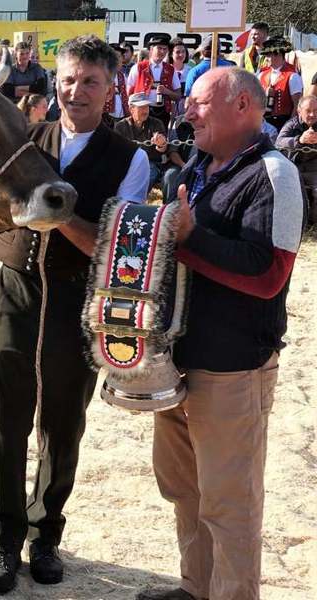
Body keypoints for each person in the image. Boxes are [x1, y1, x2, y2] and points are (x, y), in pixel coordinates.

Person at [0, 34, 150, 595]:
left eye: (91, 82)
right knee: (5, 415)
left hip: (81, 300)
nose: (77, 90)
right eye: (71, 79)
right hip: (17, 288)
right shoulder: (25, 138)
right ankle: (3, 538)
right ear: (57, 81)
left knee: (63, 421)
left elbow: (116, 243)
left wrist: (56, 220)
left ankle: (45, 533)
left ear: (110, 88)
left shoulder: (132, 156)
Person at [135, 67, 305, 600]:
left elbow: (267, 273)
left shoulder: (275, 174)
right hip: (179, 361)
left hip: (233, 368)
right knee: (186, 491)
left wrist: (189, 238)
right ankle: (195, 588)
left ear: (243, 107)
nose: (188, 110)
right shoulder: (201, 168)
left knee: (230, 504)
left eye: (201, 102)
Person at [275, 95, 317, 223]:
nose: (312, 114)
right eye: (308, 111)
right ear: (299, 111)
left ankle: (313, 223)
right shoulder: (292, 125)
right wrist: (299, 140)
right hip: (295, 169)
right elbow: (279, 141)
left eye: (316, 111)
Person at [114, 92, 169, 188]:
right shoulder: (121, 126)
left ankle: (135, 201)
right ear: (131, 109)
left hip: (151, 163)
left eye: (147, 107)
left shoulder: (156, 123)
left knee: (146, 175)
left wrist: (161, 143)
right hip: (128, 163)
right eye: (141, 107)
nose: (145, 111)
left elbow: (163, 150)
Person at [127, 34, 181, 126]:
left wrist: (167, 91)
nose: (162, 51)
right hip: (141, 111)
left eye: (165, 49)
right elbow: (129, 92)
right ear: (151, 50)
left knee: (160, 138)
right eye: (159, 48)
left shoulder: (171, 69)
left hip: (163, 112)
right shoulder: (138, 68)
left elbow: (178, 95)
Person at [257, 37, 303, 131]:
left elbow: (297, 105)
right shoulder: (261, 75)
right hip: (263, 122)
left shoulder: (293, 77)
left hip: (283, 122)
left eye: (268, 56)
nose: (265, 59)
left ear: (277, 55)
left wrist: (289, 127)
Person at [183, 34, 235, 98]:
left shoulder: (194, 71)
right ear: (219, 51)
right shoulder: (231, 68)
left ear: (202, 51)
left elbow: (189, 96)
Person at [105, 43, 129, 124]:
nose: (117, 60)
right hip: (105, 116)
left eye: (119, 57)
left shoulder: (122, 76)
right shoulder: (101, 75)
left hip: (121, 117)